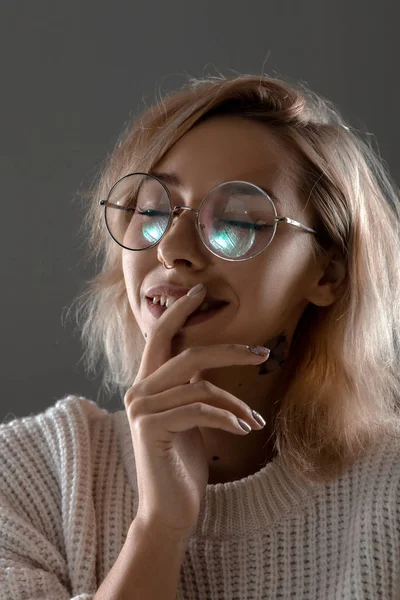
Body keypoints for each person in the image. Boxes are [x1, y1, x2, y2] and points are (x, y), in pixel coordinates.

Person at [1, 73, 400, 600]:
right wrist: (160, 526)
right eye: (152, 211)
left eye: (236, 221)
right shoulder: (29, 475)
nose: (172, 249)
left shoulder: (388, 490)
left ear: (327, 274)